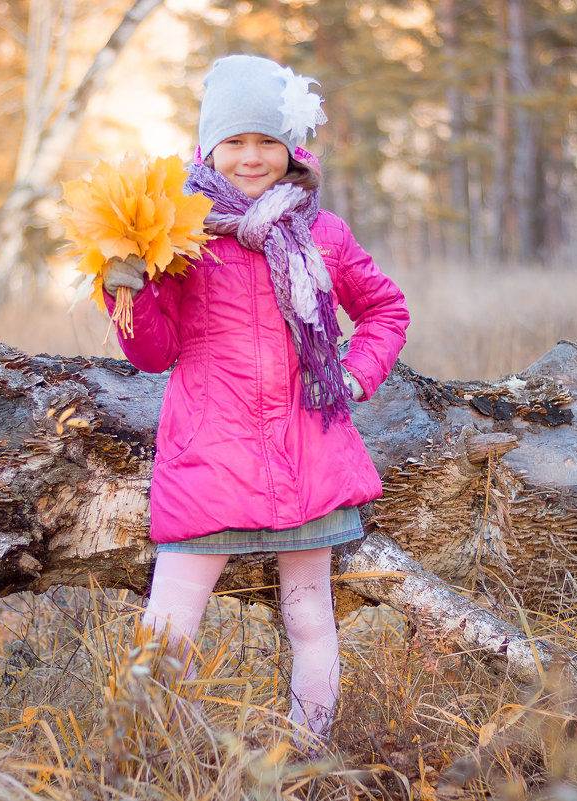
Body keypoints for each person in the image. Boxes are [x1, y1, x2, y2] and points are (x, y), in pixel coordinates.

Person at [101, 54, 409, 748]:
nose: (250, 157)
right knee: (170, 624)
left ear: (291, 146)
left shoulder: (322, 234)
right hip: (208, 458)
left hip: (310, 460)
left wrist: (353, 375)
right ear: (206, 147)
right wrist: (127, 288)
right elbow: (152, 352)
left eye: (265, 141)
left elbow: (386, 309)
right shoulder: (178, 239)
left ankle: (306, 757)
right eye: (234, 141)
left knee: (309, 618)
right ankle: (148, 756)